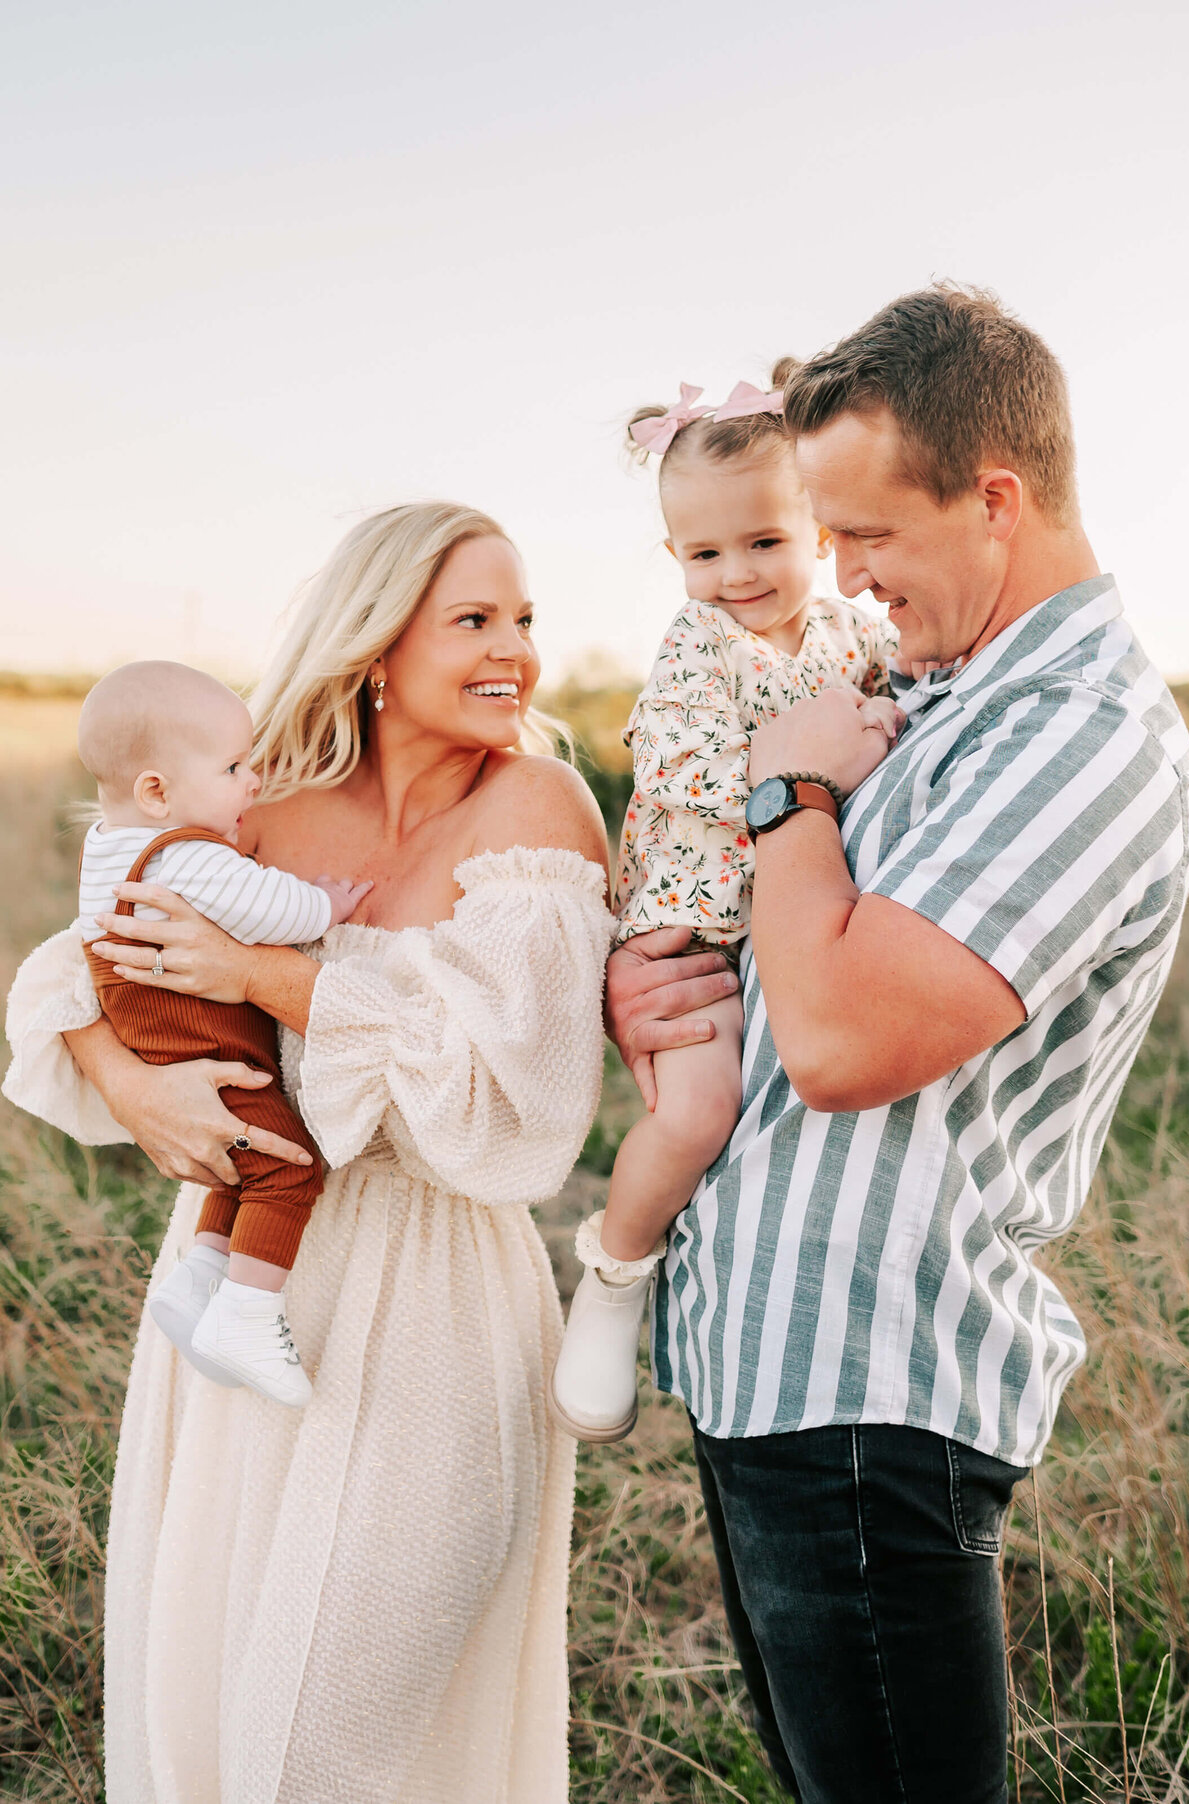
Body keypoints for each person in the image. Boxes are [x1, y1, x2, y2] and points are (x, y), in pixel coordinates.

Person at [604, 286, 1189, 1803]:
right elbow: (782, 958)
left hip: (872, 1382)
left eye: (865, 534)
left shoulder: (1076, 727)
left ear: (997, 498)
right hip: (765, 1356)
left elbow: (849, 1039)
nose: (844, 580)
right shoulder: (936, 692)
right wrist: (656, 991)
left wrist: (788, 791)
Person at [3, 502, 612, 1804]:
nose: (514, 651)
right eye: (474, 620)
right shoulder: (261, 800)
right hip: (243, 1297)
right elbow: (77, 959)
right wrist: (126, 1077)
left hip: (440, 1308)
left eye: (524, 620)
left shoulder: (544, 813)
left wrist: (271, 976)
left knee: (321, 1753)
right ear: (380, 646)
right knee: (213, 1704)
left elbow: (516, 1101)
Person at [550, 376, 900, 1443]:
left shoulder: (851, 633)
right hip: (696, 921)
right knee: (700, 1110)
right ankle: (614, 1273)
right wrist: (806, 774)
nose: (735, 575)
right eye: (704, 555)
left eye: (762, 543)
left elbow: (896, 709)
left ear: (818, 531)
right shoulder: (700, 647)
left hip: (796, 907)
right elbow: (675, 761)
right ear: (674, 559)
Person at [76, 660, 372, 1405]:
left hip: (156, 1026)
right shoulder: (187, 854)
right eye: (234, 767)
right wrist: (325, 905)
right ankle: (248, 1313)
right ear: (158, 791)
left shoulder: (112, 842)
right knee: (287, 1161)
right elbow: (273, 913)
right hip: (194, 1027)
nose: (253, 782)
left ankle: (202, 1275)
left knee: (242, 1151)